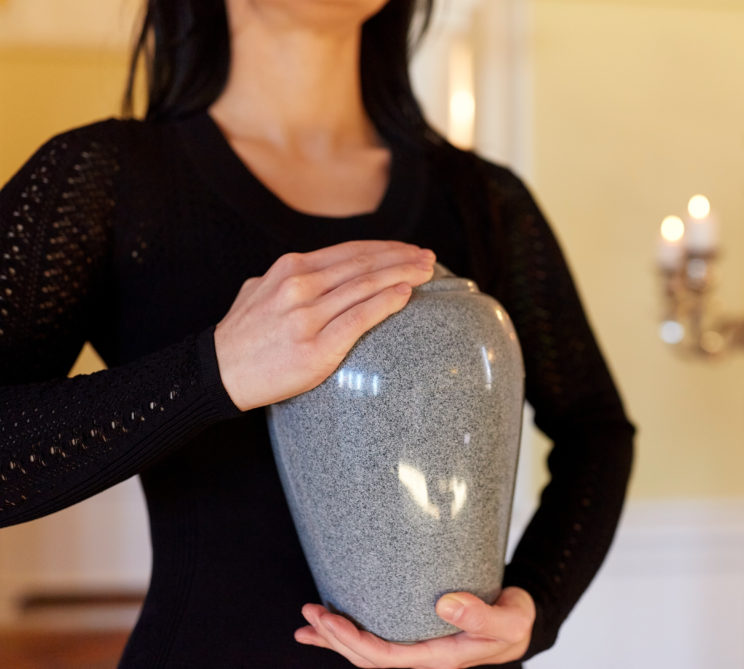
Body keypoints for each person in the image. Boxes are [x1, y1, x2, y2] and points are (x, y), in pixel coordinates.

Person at [0, 0, 635, 666]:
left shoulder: (484, 202)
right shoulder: (102, 182)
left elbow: (596, 428)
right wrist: (217, 369)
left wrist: (536, 604)